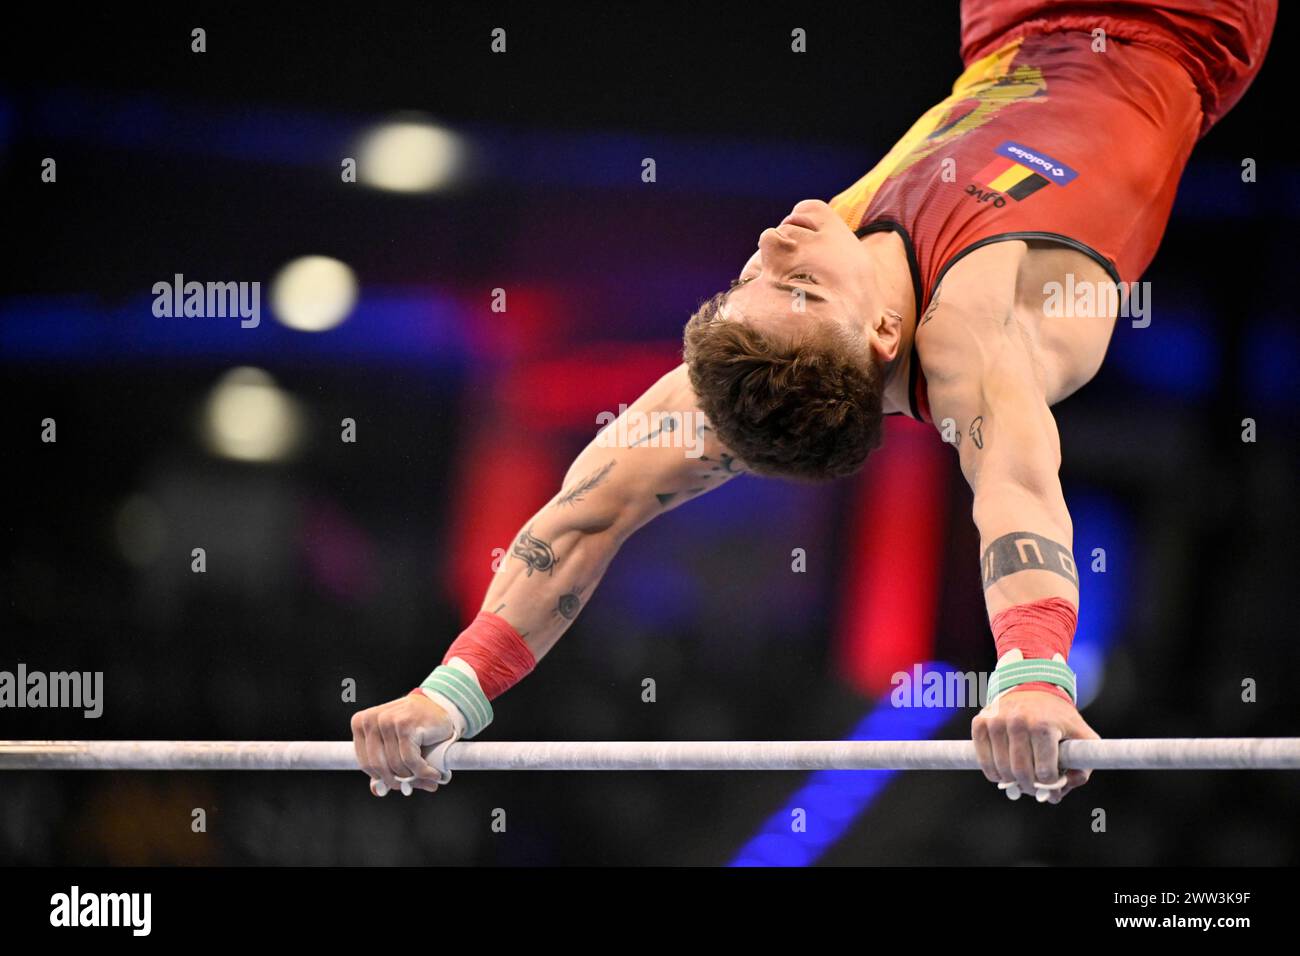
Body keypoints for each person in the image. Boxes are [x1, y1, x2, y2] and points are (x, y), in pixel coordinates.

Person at [352, 0, 1277, 803]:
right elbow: (1017, 496)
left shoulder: (765, 358)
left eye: (751, 276)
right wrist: (1032, 674)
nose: (773, 242)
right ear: (881, 339)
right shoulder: (973, 336)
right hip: (1177, 25)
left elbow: (586, 518)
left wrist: (450, 692)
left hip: (1005, 32)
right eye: (796, 287)